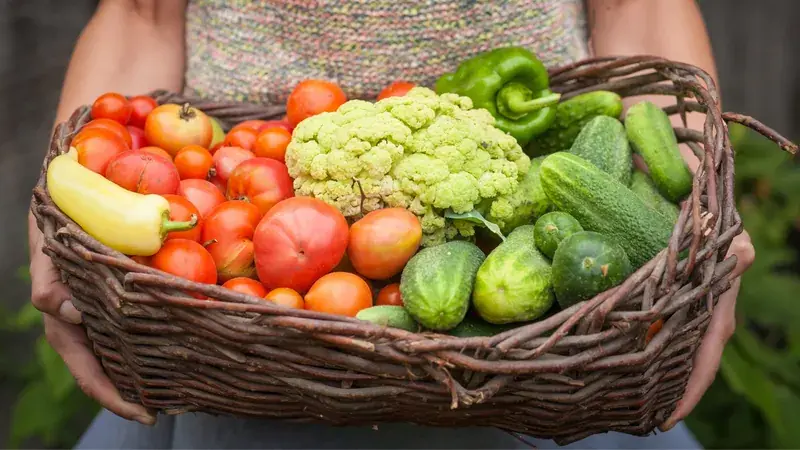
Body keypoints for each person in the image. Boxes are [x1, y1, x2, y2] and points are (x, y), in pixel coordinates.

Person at [29, 0, 754, 448]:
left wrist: (699, 215)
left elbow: (639, 4)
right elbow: (140, 13)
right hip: (227, 273)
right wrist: (76, 217)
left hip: (569, 343)